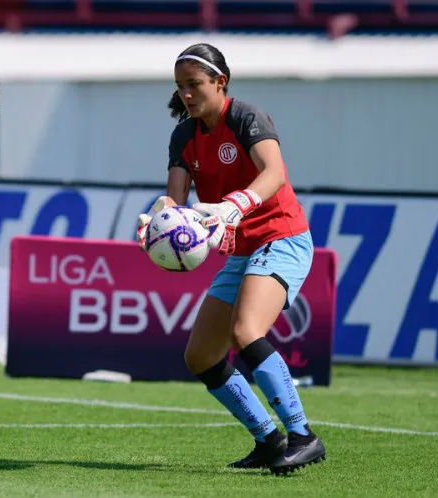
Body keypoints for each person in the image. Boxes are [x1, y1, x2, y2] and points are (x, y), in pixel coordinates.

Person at [137, 42, 326, 476]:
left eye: (194, 84)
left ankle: (302, 436)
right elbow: (177, 200)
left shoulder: (245, 117)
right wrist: (157, 219)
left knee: (246, 331)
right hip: (241, 249)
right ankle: (268, 439)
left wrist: (234, 205)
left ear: (220, 82)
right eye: (180, 86)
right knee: (200, 356)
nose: (186, 94)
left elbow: (274, 173)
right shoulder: (184, 134)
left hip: (283, 236)